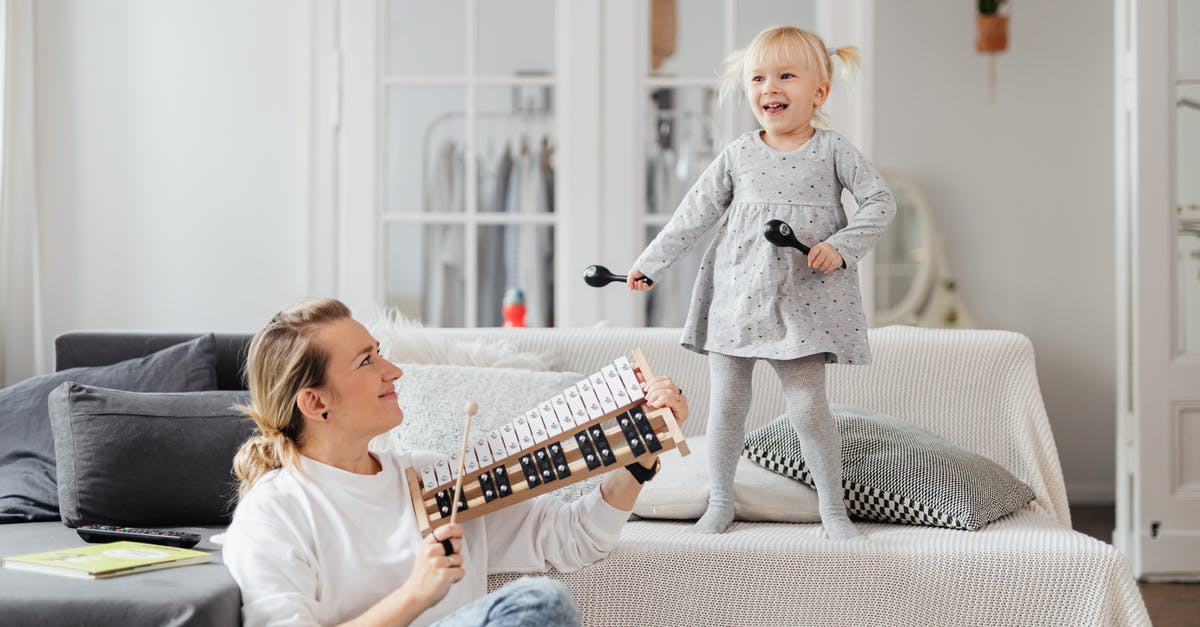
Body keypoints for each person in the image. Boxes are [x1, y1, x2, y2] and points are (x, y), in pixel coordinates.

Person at [221, 298, 688, 626]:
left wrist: (639, 456)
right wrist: (415, 594)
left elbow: (573, 539)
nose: (394, 371)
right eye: (367, 362)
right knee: (537, 604)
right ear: (316, 403)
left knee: (543, 603)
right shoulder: (275, 511)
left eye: (380, 352)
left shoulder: (433, 480)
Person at [627, 25, 895, 538]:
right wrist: (651, 263)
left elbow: (881, 202)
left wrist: (840, 246)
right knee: (727, 406)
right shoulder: (739, 154)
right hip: (737, 297)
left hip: (805, 301)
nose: (769, 88)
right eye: (758, 78)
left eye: (786, 76)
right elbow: (693, 214)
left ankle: (832, 510)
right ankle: (720, 503)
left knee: (809, 408)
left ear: (820, 92)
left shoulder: (833, 151)